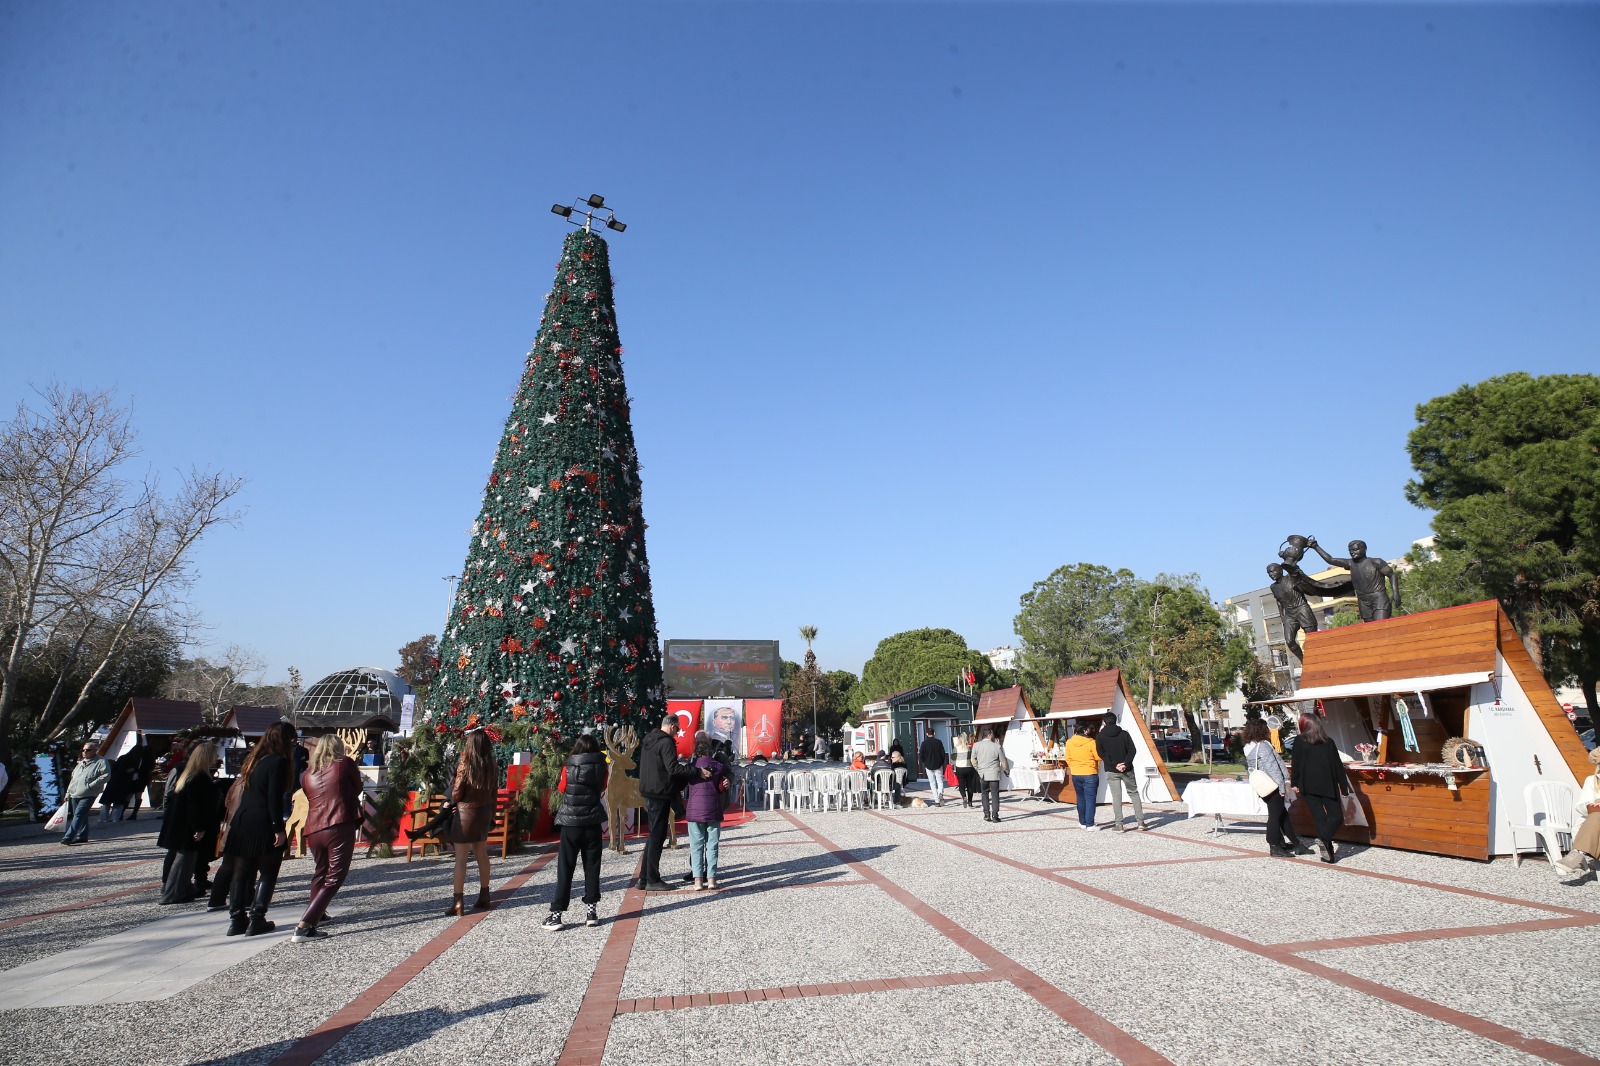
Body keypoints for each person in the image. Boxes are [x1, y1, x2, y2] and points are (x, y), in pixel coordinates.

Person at [223, 721, 297, 936]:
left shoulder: (254, 760)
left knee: (241, 872)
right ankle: (257, 917)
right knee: (268, 872)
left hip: (242, 820)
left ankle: (236, 920)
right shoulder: (278, 762)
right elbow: (273, 797)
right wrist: (278, 827)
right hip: (263, 821)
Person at [292, 735, 364, 943]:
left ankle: (319, 911)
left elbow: (307, 794)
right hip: (338, 824)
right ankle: (304, 925)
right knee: (335, 876)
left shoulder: (307, 773)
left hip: (314, 827)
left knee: (321, 871)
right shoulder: (344, 763)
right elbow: (357, 788)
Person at [542, 734, 609, 931]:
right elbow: (603, 789)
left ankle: (557, 915)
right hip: (592, 821)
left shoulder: (568, 767)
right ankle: (591, 912)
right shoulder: (602, 768)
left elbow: (562, 788)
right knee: (592, 867)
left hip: (570, 824)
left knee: (566, 868)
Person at [637, 712, 709, 892]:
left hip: (649, 792)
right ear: (671, 726)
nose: (677, 733)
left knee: (653, 835)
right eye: (677, 729)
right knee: (657, 836)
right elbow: (673, 768)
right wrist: (696, 772)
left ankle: (644, 878)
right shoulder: (666, 741)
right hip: (661, 793)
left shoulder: (648, 740)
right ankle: (652, 879)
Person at [445, 730, 499, 916]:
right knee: (482, 854)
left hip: (466, 814)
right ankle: (485, 895)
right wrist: (493, 814)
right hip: (484, 812)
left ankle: (458, 901)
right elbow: (494, 794)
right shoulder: (492, 765)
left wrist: (454, 797)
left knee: (461, 858)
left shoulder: (465, 765)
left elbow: (456, 793)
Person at [158, 741, 218, 904]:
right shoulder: (198, 777)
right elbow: (194, 806)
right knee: (184, 861)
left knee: (186, 860)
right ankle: (173, 892)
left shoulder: (190, 775)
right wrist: (199, 827)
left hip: (181, 825)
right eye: (215, 755)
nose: (217, 758)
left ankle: (183, 889)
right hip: (187, 827)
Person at [1289, 713, 1352, 863]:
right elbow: (1338, 767)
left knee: (1326, 818)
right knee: (1331, 817)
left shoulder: (1308, 741)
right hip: (1325, 786)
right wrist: (1344, 787)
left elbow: (1295, 764)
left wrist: (1295, 783)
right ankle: (1327, 850)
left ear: (1304, 725)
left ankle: (1324, 841)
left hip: (1313, 786)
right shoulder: (1326, 742)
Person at [1242, 719, 1308, 857]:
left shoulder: (1250, 747)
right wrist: (1282, 787)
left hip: (1265, 786)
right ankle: (1274, 845)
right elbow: (1273, 768)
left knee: (1282, 815)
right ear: (1261, 730)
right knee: (1275, 816)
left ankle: (1296, 844)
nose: (1268, 730)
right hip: (1272, 785)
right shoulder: (1263, 747)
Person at [1308, 537, 1400, 622]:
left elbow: (1392, 575)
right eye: (1350, 550)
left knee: (1380, 626)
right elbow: (1330, 560)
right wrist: (1316, 547)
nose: (1352, 552)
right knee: (1370, 630)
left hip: (1379, 598)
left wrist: (1396, 594)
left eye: (1355, 550)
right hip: (1363, 600)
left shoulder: (1377, 562)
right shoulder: (1350, 563)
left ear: (1364, 550)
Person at [683, 732, 730, 890]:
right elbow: (721, 786)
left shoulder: (691, 766)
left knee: (696, 846)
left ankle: (697, 880)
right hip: (713, 809)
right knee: (712, 845)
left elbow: (683, 784)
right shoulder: (718, 766)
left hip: (695, 810)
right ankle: (711, 879)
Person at [1551, 747, 1600, 882]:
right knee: (1596, 816)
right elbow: (1580, 806)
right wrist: (1591, 803)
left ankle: (1577, 853)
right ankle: (1578, 853)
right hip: (1594, 820)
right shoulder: (1592, 781)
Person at [1095, 711, 1148, 832]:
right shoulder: (1124, 734)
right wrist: (1125, 763)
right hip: (1127, 769)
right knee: (1133, 793)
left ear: (1104, 722)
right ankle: (1140, 822)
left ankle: (1119, 824)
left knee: (1116, 796)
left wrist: (1115, 765)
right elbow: (1132, 750)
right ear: (1116, 720)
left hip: (1111, 769)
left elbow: (1101, 753)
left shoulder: (1100, 736)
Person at [61, 742, 112, 846]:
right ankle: (82, 836)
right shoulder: (80, 764)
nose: (84, 752)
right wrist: (68, 793)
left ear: (95, 750)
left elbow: (106, 776)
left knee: (79, 814)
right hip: (75, 793)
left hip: (89, 793)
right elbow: (73, 779)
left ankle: (68, 837)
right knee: (80, 815)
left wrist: (91, 785)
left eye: (88, 750)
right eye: (83, 750)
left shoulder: (101, 761)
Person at [1065, 721, 1102, 830]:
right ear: (1085, 730)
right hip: (1089, 772)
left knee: (1080, 798)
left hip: (1076, 773)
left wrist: (1074, 766)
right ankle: (1090, 824)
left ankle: (1082, 822)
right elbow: (1098, 757)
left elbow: (1068, 758)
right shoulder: (1091, 742)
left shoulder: (1069, 742)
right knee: (1090, 799)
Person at [971, 727, 1009, 822]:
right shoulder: (997, 746)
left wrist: (978, 768)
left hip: (982, 773)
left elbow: (973, 760)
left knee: (984, 794)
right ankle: (995, 815)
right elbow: (1003, 760)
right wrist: (1006, 770)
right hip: (994, 773)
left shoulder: (976, 745)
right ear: (989, 735)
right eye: (991, 734)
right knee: (995, 794)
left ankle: (986, 814)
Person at [99, 744, 141, 823]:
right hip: (124, 782)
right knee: (119, 802)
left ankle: (103, 818)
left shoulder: (122, 757)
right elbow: (129, 771)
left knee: (107, 801)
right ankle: (115, 818)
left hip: (113, 780)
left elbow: (115, 768)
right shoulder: (135, 761)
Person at [918, 726, 948, 806]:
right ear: (934, 733)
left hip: (928, 765)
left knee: (932, 783)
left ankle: (937, 800)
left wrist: (925, 762)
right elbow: (943, 754)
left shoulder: (924, 743)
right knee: (940, 781)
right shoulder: (939, 742)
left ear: (926, 734)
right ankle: (940, 793)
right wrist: (941, 762)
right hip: (938, 765)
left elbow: (921, 755)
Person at [951, 732, 977, 808]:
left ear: (959, 739)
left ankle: (964, 797)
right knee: (970, 785)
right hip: (969, 768)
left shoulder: (956, 748)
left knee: (961, 785)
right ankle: (970, 802)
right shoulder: (969, 748)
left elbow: (953, 760)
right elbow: (973, 758)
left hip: (960, 768)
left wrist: (954, 768)